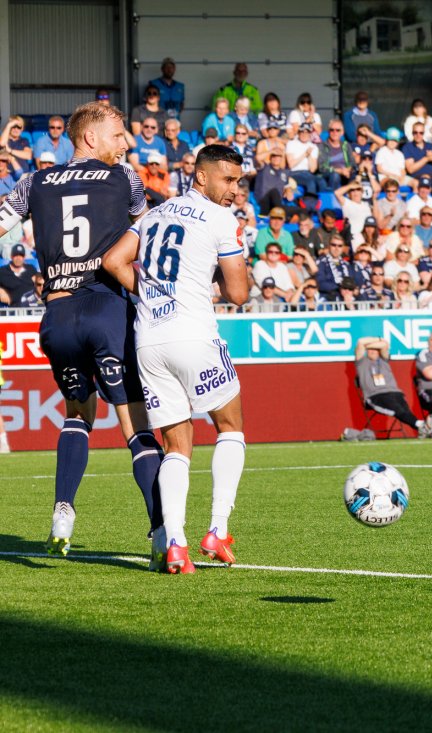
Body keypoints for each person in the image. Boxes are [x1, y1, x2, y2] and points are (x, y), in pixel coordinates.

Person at [0, 101, 164, 556]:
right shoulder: (125, 176)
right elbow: (147, 231)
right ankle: (161, 532)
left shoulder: (34, 181)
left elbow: (1, 223)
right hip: (106, 308)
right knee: (135, 426)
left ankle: (63, 510)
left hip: (57, 318)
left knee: (77, 415)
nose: (126, 142)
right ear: (90, 137)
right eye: (117, 133)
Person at [103, 143, 248, 573]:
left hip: (149, 340)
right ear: (200, 176)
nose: (235, 190)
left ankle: (176, 545)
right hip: (193, 336)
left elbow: (113, 260)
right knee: (230, 426)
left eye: (239, 182)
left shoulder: (154, 214)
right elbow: (239, 294)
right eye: (228, 179)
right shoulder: (222, 219)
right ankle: (218, 529)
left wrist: (149, 291)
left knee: (176, 446)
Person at [355, 337, 428, 438]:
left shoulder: (383, 360)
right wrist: (375, 341)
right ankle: (422, 425)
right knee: (397, 409)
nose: (372, 351)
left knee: (405, 411)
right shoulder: (362, 363)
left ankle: (421, 427)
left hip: (395, 392)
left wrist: (374, 344)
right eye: (370, 349)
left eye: (375, 349)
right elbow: (360, 342)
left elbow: (385, 344)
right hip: (376, 395)